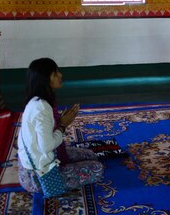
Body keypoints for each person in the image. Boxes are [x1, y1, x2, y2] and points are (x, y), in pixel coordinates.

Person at [17, 58, 104, 194]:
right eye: (56, 72)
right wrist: (63, 125)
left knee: (90, 155)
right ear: (47, 78)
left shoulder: (36, 101)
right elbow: (47, 146)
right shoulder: (41, 108)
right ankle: (53, 184)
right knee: (97, 168)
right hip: (37, 177)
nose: (60, 75)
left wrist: (60, 121)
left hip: (34, 164)